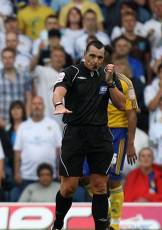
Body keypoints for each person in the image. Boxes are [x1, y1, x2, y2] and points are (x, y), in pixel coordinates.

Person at [52, 40, 126, 230]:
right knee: (69, 187)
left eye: (100, 57)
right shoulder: (72, 72)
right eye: (92, 56)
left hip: (100, 134)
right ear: (85, 53)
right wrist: (59, 104)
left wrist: (110, 84)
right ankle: (58, 223)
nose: (96, 60)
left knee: (100, 186)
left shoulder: (108, 75)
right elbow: (59, 90)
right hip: (75, 133)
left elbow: (121, 104)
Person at [82, 50, 139, 230]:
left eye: (123, 65)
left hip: (117, 134)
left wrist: (130, 143)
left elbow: (131, 115)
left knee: (113, 178)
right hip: (95, 131)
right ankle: (104, 211)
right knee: (84, 175)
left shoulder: (125, 83)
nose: (119, 67)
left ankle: (114, 224)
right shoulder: (94, 78)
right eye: (117, 63)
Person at [12, 96, 62, 201]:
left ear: (43, 106)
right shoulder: (23, 126)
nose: (37, 106)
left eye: (39, 104)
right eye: (34, 104)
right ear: (30, 107)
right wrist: (16, 172)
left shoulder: (53, 125)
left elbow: (60, 150)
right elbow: (17, 152)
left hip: (49, 176)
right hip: (27, 176)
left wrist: (59, 170)